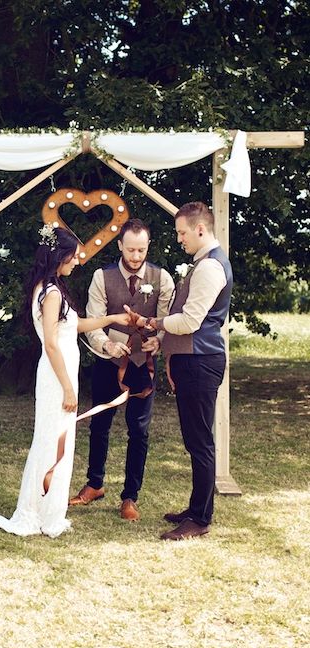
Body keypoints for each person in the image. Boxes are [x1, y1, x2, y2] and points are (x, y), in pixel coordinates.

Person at [0, 226, 132, 537]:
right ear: (60, 256)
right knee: (53, 443)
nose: (77, 262)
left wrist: (110, 319)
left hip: (59, 373)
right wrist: (68, 386)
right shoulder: (51, 292)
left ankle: (46, 507)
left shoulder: (51, 288)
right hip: (57, 376)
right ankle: (41, 511)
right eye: (74, 257)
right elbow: (52, 343)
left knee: (56, 441)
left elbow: (74, 325)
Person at [135, 202, 233, 540]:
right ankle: (196, 508)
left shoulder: (209, 268)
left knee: (201, 442)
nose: (179, 239)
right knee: (195, 440)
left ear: (200, 230)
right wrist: (162, 340)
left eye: (182, 232)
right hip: (193, 361)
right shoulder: (204, 264)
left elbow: (191, 321)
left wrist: (153, 322)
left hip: (200, 362)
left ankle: (201, 520)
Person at [69, 219, 175, 521]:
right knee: (99, 425)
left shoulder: (162, 277)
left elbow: (168, 319)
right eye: (130, 249)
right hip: (109, 361)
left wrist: (159, 340)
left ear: (148, 247)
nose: (136, 256)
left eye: (141, 250)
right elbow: (94, 320)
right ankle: (94, 484)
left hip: (144, 366)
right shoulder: (102, 277)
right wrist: (107, 346)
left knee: (139, 431)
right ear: (119, 246)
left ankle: (130, 496)